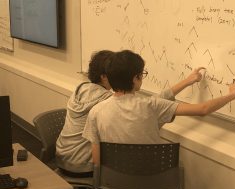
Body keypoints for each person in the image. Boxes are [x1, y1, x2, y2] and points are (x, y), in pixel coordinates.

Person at [56, 50, 205, 177]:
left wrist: (186, 82)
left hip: (62, 156)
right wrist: (186, 82)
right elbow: (151, 106)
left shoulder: (79, 89)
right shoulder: (107, 103)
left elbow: (153, 104)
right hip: (85, 164)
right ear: (104, 76)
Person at [82, 50, 235, 166]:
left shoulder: (96, 111)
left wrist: (188, 81)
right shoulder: (151, 105)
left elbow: (97, 162)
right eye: (142, 74)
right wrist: (231, 95)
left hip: (114, 185)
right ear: (136, 78)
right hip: (152, 184)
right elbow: (203, 109)